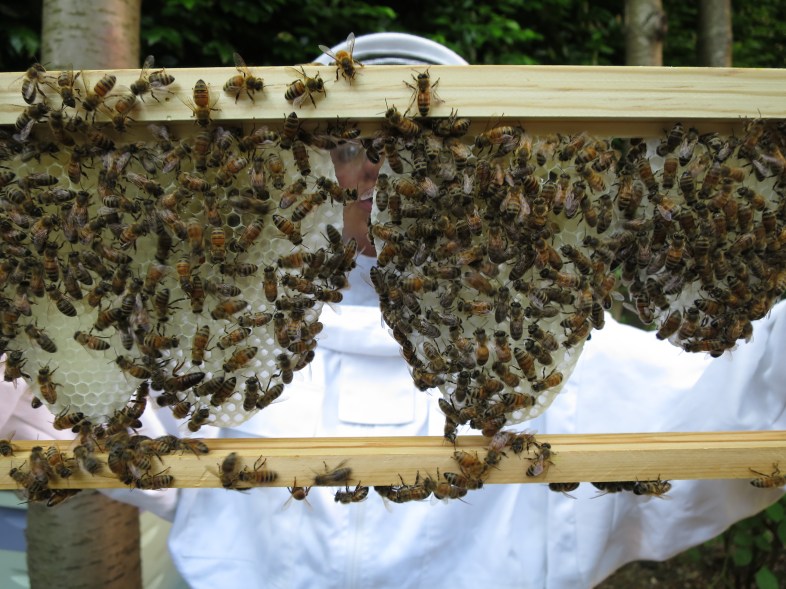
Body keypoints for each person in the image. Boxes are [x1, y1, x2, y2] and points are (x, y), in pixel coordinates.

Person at [1, 33, 785, 589]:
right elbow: (109, 428)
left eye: (421, 141)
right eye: (351, 138)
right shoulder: (210, 336)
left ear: (487, 168)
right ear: (298, 162)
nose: (380, 162)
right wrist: (148, 479)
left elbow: (748, 406)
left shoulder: (576, 359)